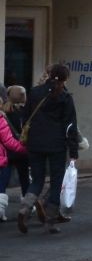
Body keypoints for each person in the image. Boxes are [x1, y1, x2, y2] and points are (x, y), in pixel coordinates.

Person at [17, 64, 79, 234]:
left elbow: (25, 117)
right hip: (56, 145)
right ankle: (50, 220)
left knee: (37, 179)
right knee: (56, 181)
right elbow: (70, 127)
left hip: (35, 143)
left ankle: (25, 208)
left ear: (50, 75)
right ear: (66, 78)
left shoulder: (35, 92)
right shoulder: (65, 97)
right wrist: (73, 151)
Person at [0, 109, 26, 222]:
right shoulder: (1, 119)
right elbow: (8, 141)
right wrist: (24, 149)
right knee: (1, 185)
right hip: (2, 158)